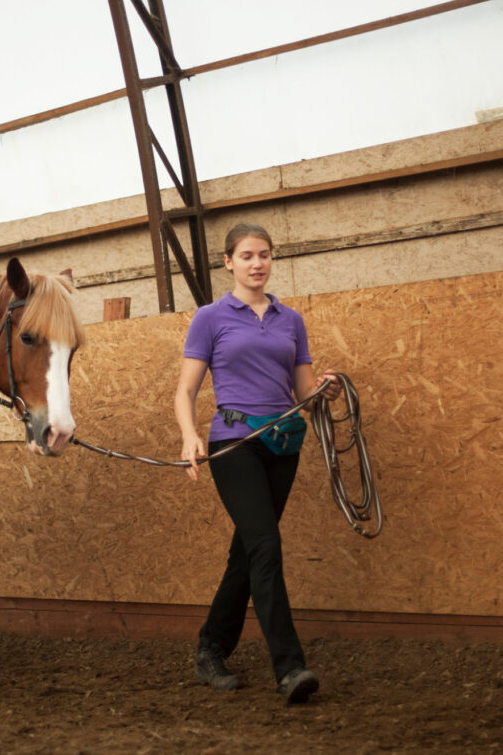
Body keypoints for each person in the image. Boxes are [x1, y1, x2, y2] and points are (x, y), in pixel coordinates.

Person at [173, 222, 341, 704]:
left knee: (248, 553)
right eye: (246, 255)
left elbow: (303, 394)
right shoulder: (210, 317)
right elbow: (185, 390)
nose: (257, 263)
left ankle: (210, 650)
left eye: (264, 254)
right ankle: (289, 668)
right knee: (266, 546)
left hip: (283, 444)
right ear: (228, 262)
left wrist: (323, 390)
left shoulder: (292, 320)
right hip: (234, 444)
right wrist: (189, 437)